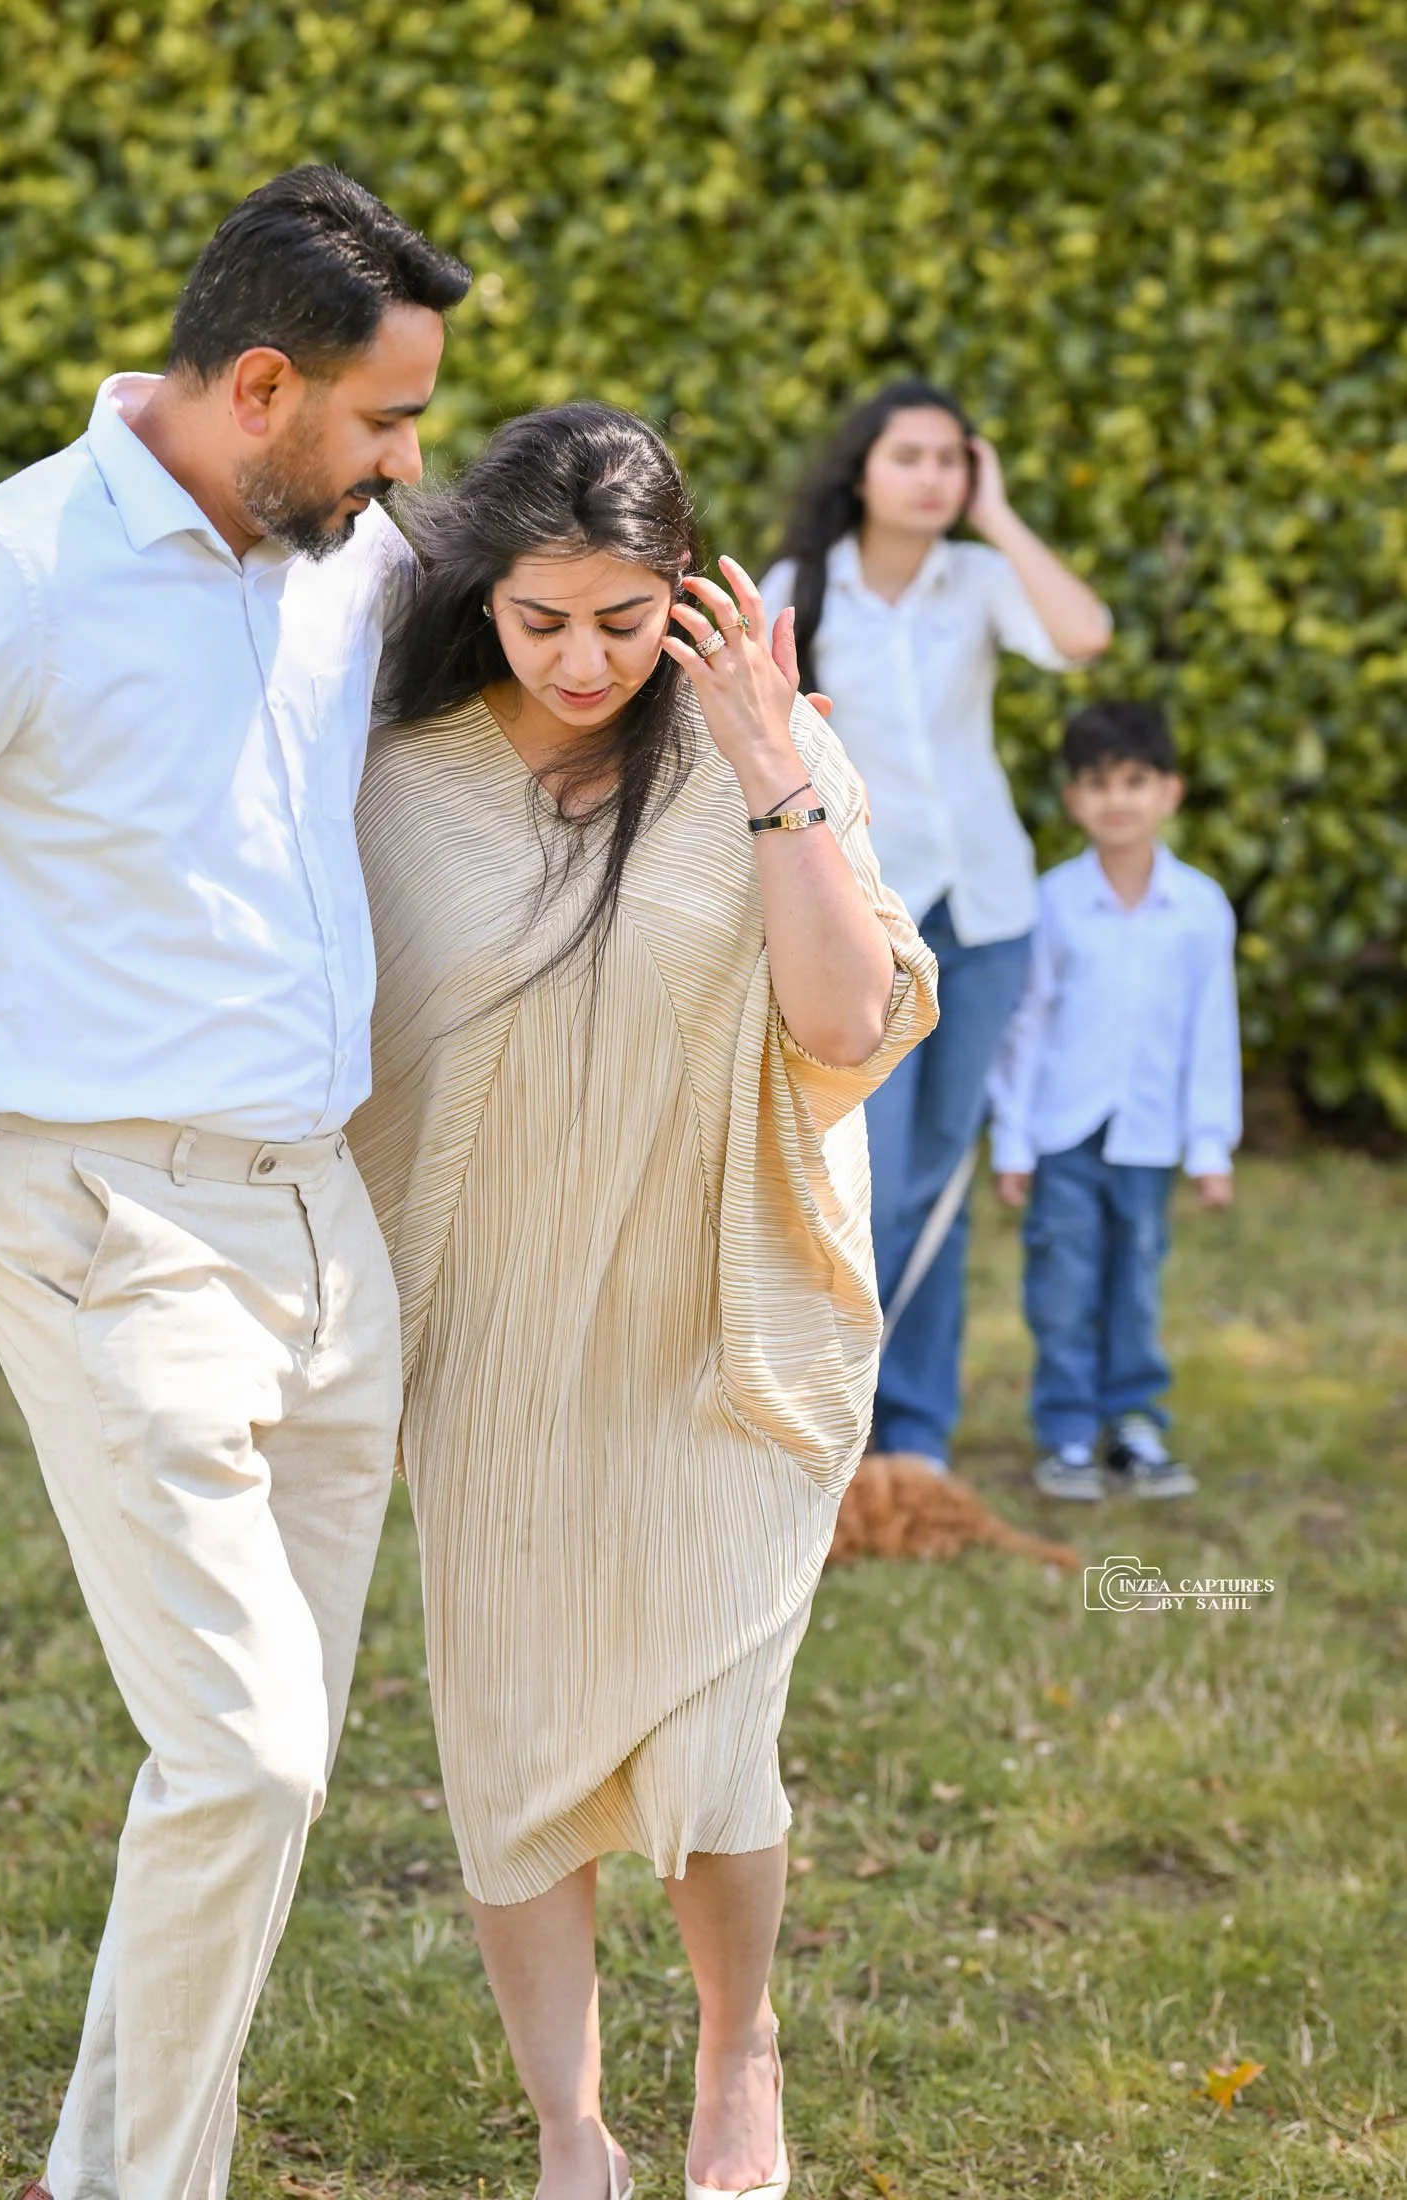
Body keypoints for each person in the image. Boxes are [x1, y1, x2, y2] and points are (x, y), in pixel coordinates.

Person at [0, 168, 470, 2199]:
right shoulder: (13, 574)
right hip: (101, 1220)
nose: (412, 461)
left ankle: (116, 2168)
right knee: (242, 1752)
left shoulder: (336, 554)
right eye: (387, 420)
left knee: (274, 1773)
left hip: (323, 1220)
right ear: (262, 383)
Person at [350, 403, 938, 2200]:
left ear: (683, 597)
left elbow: (845, 1029)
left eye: (624, 618)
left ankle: (736, 2053)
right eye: (543, 620)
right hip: (499, 1331)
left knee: (712, 1742)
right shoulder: (392, 771)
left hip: (722, 1319)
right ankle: (566, 2130)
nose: (585, 658)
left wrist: (771, 771)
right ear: (482, 596)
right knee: (516, 1738)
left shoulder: (761, 755)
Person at [761, 378, 1112, 1475]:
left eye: (952, 460)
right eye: (908, 455)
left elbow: (1084, 636)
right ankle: (835, 1409)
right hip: (868, 916)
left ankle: (915, 1430)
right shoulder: (799, 587)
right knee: (870, 1173)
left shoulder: (982, 576)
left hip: (990, 912)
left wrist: (999, 514)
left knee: (943, 1179)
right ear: (861, 466)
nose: (932, 477)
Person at [987, 701, 1242, 1501]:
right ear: (1072, 801)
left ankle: (1133, 1423)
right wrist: (1013, 1142)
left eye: (1136, 782)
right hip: (1064, 1133)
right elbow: (1024, 1026)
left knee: (1133, 1278)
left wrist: (1208, 1145)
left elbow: (1212, 1031)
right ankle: (1065, 1431)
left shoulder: (1199, 909)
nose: (1117, 801)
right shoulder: (1055, 903)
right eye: (1098, 785)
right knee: (1061, 1284)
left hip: (1148, 1137)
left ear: (1170, 792)